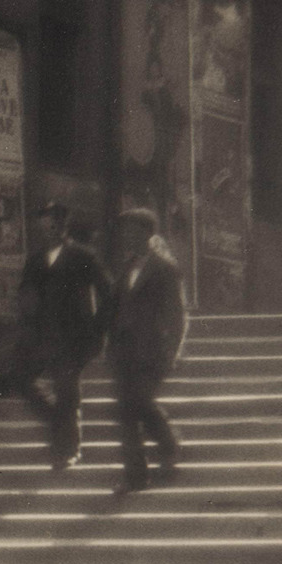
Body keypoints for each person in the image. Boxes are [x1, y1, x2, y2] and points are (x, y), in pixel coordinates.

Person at [13, 201, 112, 469]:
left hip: (73, 340)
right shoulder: (35, 261)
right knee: (23, 380)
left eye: (54, 225)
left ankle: (67, 451)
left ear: (63, 226)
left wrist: (97, 329)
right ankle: (58, 421)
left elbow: (108, 294)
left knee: (68, 393)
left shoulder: (82, 257)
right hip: (41, 339)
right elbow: (24, 297)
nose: (49, 231)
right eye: (44, 226)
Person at [106, 207, 188, 494]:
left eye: (132, 229)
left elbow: (177, 316)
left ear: (146, 232)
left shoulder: (165, 269)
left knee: (139, 402)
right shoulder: (127, 266)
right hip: (124, 353)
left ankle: (168, 444)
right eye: (125, 229)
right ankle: (135, 478)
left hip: (150, 352)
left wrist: (172, 352)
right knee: (127, 414)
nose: (126, 234)